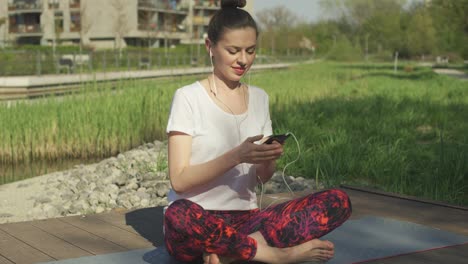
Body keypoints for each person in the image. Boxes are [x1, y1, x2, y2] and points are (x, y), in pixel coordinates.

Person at [163, 1, 352, 263]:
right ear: (210, 47)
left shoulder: (260, 99)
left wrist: (269, 158)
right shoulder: (187, 98)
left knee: (338, 201)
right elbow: (180, 181)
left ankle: (230, 255)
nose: (243, 60)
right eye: (233, 50)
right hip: (198, 221)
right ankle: (274, 255)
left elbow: (262, 178)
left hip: (247, 221)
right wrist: (237, 155)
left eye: (250, 51)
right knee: (178, 215)